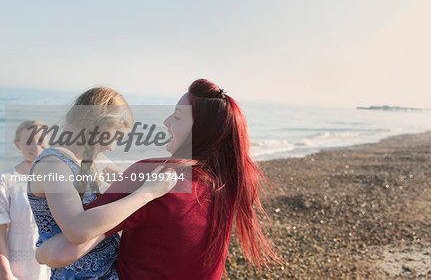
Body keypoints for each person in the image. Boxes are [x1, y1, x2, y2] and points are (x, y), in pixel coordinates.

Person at [36, 79, 279, 279]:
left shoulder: (156, 175)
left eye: (177, 116)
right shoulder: (228, 182)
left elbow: (70, 246)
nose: (166, 122)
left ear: (199, 130)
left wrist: (39, 253)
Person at [27, 86, 177, 279]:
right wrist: (147, 194)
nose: (113, 148)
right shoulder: (53, 167)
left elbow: (128, 179)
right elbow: (76, 229)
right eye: (115, 137)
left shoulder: (89, 159)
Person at [0, 120, 51, 280]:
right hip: (18, 264)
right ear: (17, 144)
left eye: (41, 141)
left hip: (50, 262)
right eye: (28, 141)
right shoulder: (6, 180)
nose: (35, 147)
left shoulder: (56, 179)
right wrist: (6, 273)